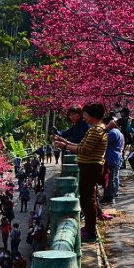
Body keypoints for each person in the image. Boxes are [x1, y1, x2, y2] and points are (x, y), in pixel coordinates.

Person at [54, 103, 108, 241]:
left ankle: (90, 232)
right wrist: (65, 141)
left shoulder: (95, 131)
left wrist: (65, 146)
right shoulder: (96, 129)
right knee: (89, 197)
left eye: (85, 114)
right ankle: (89, 228)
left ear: (92, 115)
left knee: (87, 199)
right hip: (90, 166)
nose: (83, 116)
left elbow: (84, 150)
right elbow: (82, 146)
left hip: (90, 167)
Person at [102, 116, 124, 204]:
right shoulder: (117, 132)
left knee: (110, 178)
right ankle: (113, 193)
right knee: (114, 177)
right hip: (115, 157)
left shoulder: (112, 133)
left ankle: (109, 197)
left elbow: (101, 141)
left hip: (111, 158)